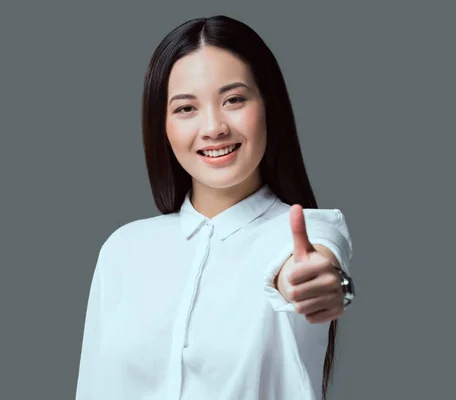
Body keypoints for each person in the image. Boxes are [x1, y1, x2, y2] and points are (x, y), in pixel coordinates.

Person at [75, 15, 355, 400]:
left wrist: (320, 285)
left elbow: (310, 265)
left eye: (234, 100)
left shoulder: (307, 231)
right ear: (163, 126)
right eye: (186, 108)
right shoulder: (122, 250)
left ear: (269, 106)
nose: (213, 127)